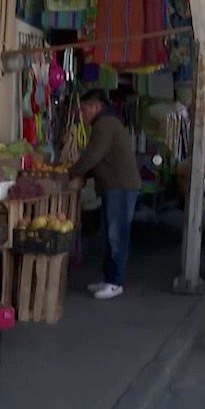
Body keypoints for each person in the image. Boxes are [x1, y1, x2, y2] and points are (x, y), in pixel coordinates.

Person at [69, 89, 142, 300]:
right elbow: (99, 158)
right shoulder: (107, 123)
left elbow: (92, 155)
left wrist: (71, 173)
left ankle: (115, 282)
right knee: (110, 234)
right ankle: (109, 278)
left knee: (116, 234)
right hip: (115, 186)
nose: (82, 115)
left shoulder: (105, 124)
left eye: (84, 109)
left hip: (120, 187)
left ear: (95, 107)